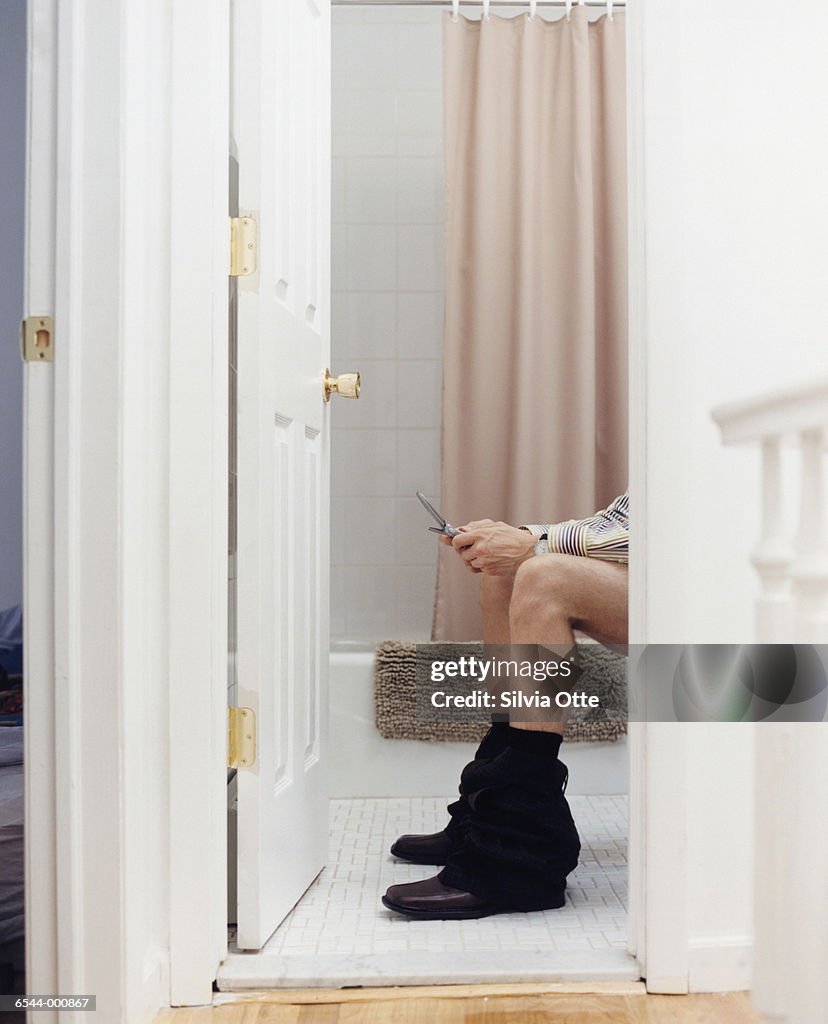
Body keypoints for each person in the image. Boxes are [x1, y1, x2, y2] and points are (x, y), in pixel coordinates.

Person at [382, 492, 630, 920]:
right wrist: (522, 540)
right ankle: (487, 813)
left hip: (713, 593)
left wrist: (536, 541)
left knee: (544, 575)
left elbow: (678, 536)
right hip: (662, 582)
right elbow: (619, 522)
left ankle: (517, 854)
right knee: (507, 573)